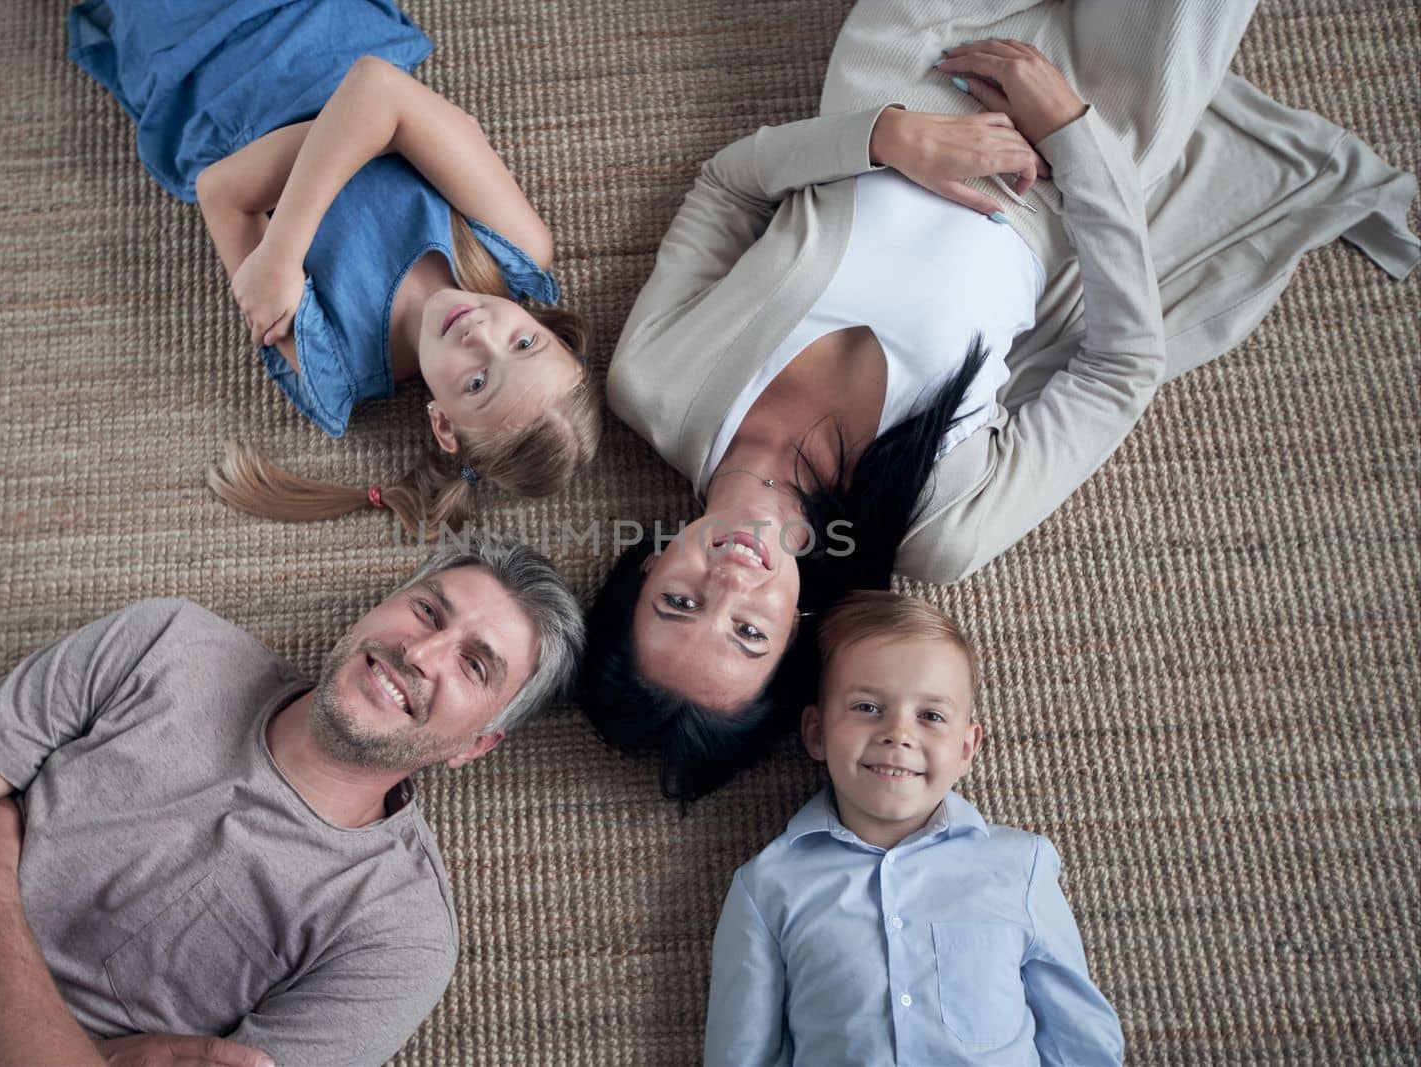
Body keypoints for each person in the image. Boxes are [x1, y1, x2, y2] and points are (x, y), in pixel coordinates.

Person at [581, 1, 1418, 803]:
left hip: (905, 61)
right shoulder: (933, 529)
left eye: (682, 601)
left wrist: (890, 138)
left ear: (648, 566)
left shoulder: (652, 380)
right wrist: (1074, 139)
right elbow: (1119, 368)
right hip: (1072, 163)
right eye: (748, 633)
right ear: (798, 633)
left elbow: (728, 185)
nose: (729, 580)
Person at [0, 536, 584, 1067]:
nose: (420, 654)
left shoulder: (398, 933)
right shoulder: (167, 645)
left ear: (474, 745)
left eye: (474, 664)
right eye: (427, 610)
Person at [67, 0, 602, 534]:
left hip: (204, 80)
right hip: (320, 25)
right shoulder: (517, 247)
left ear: (444, 424)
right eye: (525, 343)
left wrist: (381, 135)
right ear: (545, 327)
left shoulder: (332, 368)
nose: (480, 334)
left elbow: (222, 191)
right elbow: (373, 83)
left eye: (479, 382)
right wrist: (280, 250)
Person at [703, 591, 1124, 1066]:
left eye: (931, 716)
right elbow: (740, 1056)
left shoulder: (1019, 866)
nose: (898, 733)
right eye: (866, 707)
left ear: (966, 748)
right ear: (817, 732)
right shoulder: (767, 887)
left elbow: (1081, 1039)